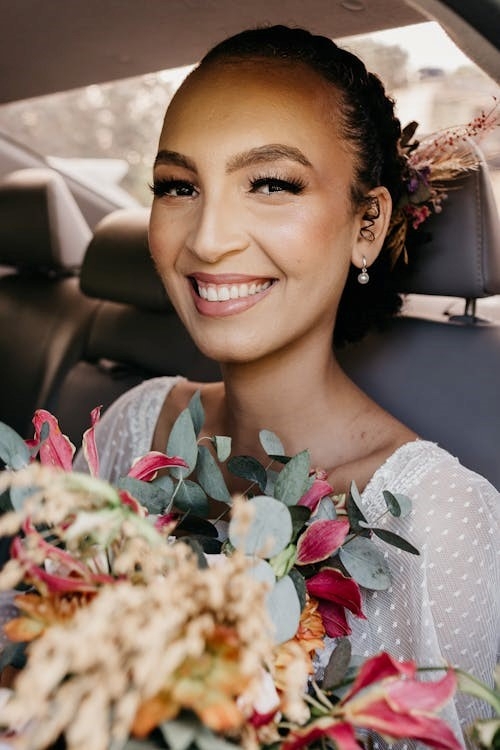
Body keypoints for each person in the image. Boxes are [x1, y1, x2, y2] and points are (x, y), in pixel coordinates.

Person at [74, 25, 499, 744]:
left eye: (272, 183)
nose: (208, 239)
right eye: (179, 186)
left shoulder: (439, 522)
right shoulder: (132, 425)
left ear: (367, 225)